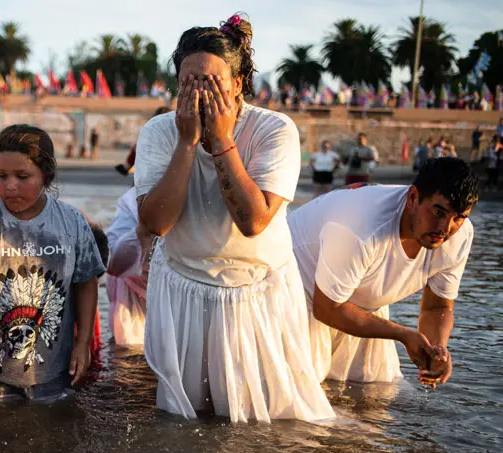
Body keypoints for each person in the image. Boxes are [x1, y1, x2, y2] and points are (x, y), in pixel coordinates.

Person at [134, 14, 333, 423]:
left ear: (238, 85)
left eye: (212, 82)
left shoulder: (274, 130)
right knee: (183, 424)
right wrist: (188, 142)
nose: (200, 93)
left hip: (257, 291)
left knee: (272, 421)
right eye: (189, 82)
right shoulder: (159, 132)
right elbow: (156, 224)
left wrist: (222, 138)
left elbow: (253, 221)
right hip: (183, 287)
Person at [0, 124, 105, 400]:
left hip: (54, 372)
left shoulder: (71, 222)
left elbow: (86, 284)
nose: (10, 186)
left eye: (22, 176)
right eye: (1, 176)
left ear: (46, 174)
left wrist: (82, 345)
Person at [289, 158, 479, 386]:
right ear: (413, 198)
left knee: (371, 396)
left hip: (358, 300)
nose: (446, 229)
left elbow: (436, 306)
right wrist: (403, 335)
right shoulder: (360, 227)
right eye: (439, 212)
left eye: (459, 217)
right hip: (298, 293)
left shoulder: (459, 235)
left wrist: (437, 349)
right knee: (300, 398)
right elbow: (326, 308)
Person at [105, 186, 155, 347]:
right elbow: (116, 263)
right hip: (132, 293)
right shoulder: (132, 200)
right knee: (130, 354)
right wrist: (142, 231)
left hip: (186, 289)